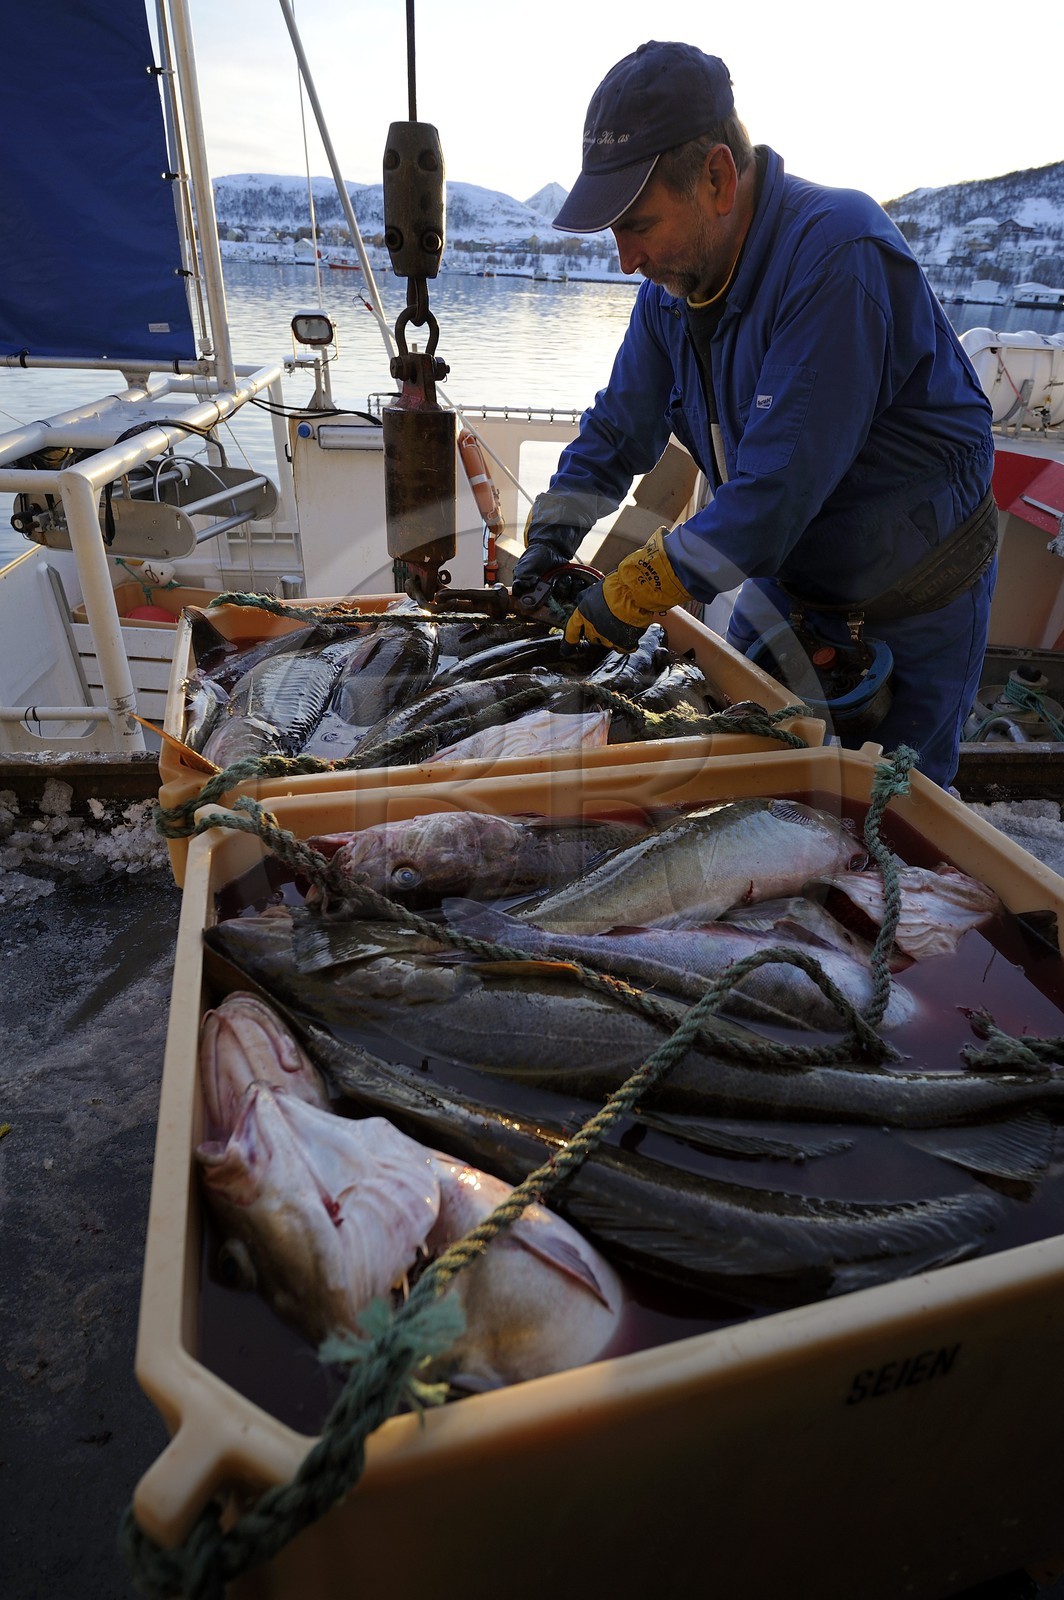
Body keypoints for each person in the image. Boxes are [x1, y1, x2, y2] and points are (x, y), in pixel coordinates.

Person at [511, 40, 997, 789]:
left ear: (716, 178)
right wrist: (550, 537)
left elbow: (773, 497)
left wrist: (634, 587)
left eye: (637, 223)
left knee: (890, 820)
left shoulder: (838, 254)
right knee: (735, 776)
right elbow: (618, 429)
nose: (626, 258)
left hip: (913, 600)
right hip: (790, 586)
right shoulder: (673, 294)